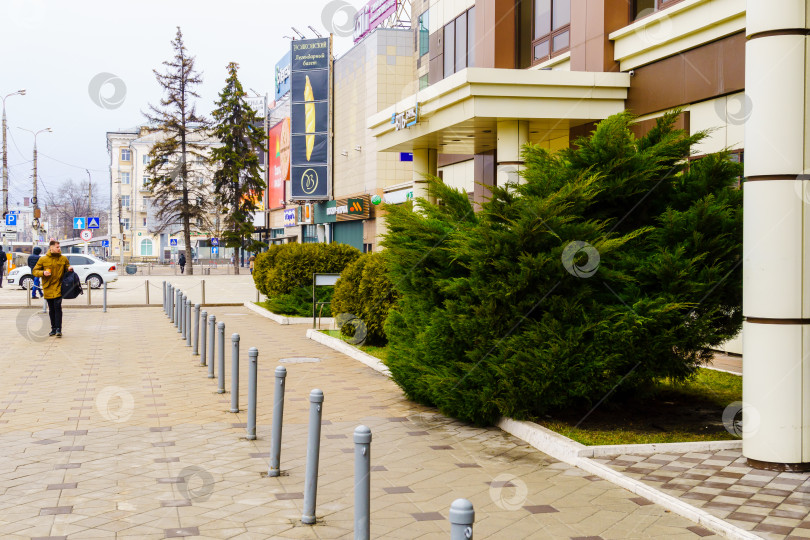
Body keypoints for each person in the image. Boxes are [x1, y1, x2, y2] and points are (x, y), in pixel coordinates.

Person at [32, 240, 73, 337]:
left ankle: (59, 329)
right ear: (51, 248)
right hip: (48, 286)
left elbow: (67, 268)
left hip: (59, 286)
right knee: (51, 308)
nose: (59, 249)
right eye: (57, 247)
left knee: (57, 307)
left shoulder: (63, 259)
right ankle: (53, 328)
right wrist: (43, 273)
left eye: (59, 247)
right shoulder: (43, 259)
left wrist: (69, 269)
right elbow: (35, 271)